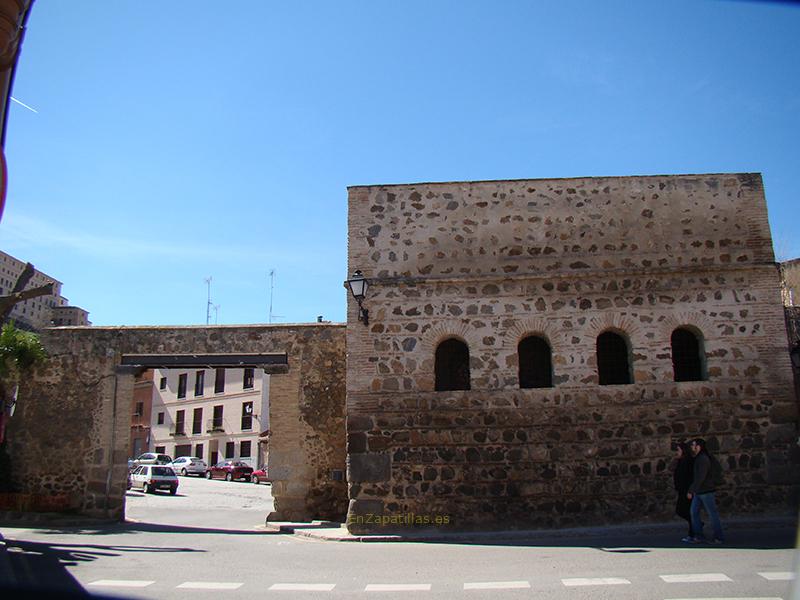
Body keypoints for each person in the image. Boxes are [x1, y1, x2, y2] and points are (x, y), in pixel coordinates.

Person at [686, 438, 725, 543]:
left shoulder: (703, 459)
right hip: (699, 491)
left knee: (712, 514)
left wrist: (691, 490)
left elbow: (700, 477)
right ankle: (699, 536)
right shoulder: (699, 458)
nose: (692, 447)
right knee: (694, 513)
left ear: (699, 446)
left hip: (706, 491)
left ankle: (719, 537)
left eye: (694, 445)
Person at [672, 441, 694, 541]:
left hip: (687, 491)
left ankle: (694, 530)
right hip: (682, 490)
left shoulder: (688, 462)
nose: (677, 452)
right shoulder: (681, 461)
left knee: (683, 510)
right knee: (683, 511)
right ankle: (694, 528)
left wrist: (690, 490)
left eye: (678, 450)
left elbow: (690, 477)